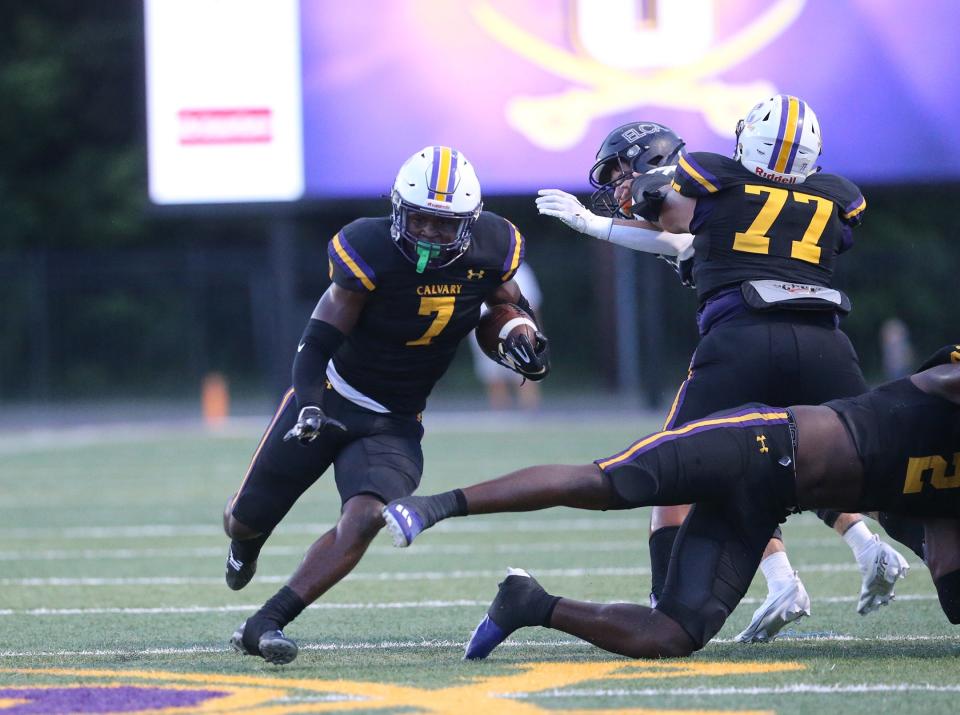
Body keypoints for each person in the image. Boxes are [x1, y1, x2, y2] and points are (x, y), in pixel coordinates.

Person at [533, 105, 909, 641]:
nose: (616, 185)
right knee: (844, 459)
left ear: (654, 161)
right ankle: (855, 551)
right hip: (821, 338)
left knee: (685, 467)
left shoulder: (701, 183)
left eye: (620, 172)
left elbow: (672, 232)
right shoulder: (805, 194)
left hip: (745, 343)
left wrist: (593, 223)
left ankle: (671, 606)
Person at [382, 347, 960, 660]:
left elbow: (951, 587)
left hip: (764, 508)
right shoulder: (940, 389)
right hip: (757, 443)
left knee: (670, 637)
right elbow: (944, 374)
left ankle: (529, 603)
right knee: (607, 484)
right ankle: (439, 505)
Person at [222, 145, 550, 665]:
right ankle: (246, 544)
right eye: (421, 220)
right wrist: (308, 405)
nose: (432, 235)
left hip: (395, 420)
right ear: (398, 211)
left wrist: (522, 337)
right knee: (242, 518)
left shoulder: (492, 246)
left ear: (470, 221)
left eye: (446, 224)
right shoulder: (369, 248)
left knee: (367, 515)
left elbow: (506, 304)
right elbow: (315, 344)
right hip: (332, 397)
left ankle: (267, 620)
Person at [469, 262, 544, 410]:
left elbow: (532, 305)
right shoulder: (476, 267)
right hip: (485, 329)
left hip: (520, 332)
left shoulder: (520, 270)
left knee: (527, 375)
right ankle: (503, 422)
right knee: (495, 379)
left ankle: (530, 421)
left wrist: (536, 333)